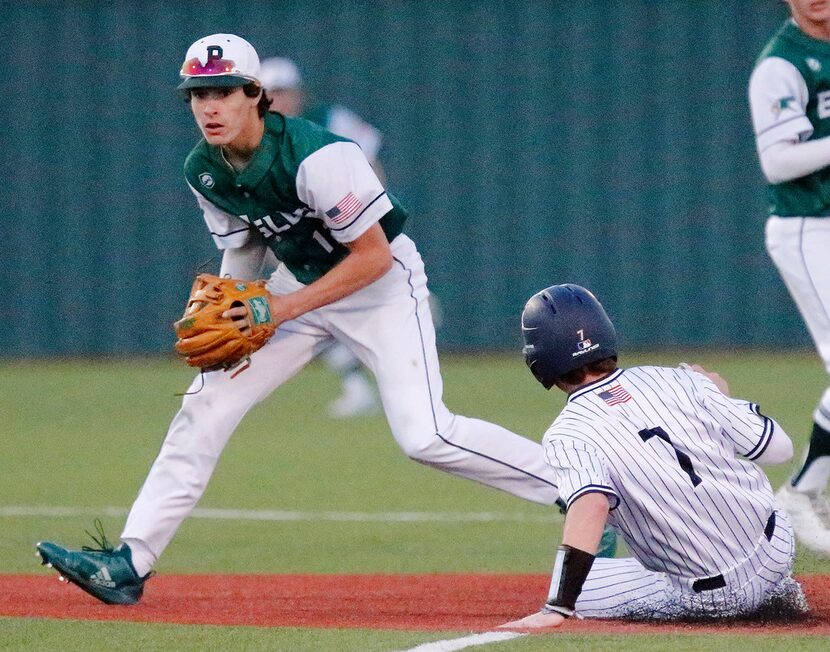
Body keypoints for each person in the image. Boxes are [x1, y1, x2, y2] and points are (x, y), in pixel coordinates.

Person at [34, 34, 610, 606]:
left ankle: (582, 494)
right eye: (197, 94)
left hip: (379, 286)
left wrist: (276, 307)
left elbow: (373, 256)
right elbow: (246, 248)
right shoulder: (203, 167)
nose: (209, 106)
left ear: (255, 94)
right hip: (297, 280)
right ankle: (130, 562)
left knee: (425, 435)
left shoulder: (319, 157)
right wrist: (222, 306)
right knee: (204, 403)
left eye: (223, 91)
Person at [499, 284, 804, 629]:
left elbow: (592, 504)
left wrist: (558, 607)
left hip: (720, 595)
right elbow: (780, 449)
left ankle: (749, 592)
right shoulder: (681, 379)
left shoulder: (567, 433)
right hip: (778, 546)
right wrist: (721, 398)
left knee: (583, 590)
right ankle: (778, 587)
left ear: (539, 361)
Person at [258, 55, 385, 418]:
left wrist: (369, 214)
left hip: (348, 233)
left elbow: (371, 164)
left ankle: (373, 383)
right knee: (315, 309)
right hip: (301, 240)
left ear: (298, 94)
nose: (279, 100)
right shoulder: (258, 136)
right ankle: (359, 386)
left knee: (339, 311)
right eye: (272, 93)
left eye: (285, 92)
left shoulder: (329, 119)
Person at [748, 0, 830, 555]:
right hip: (809, 230)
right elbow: (777, 162)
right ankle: (801, 494)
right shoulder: (781, 64)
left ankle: (806, 491)